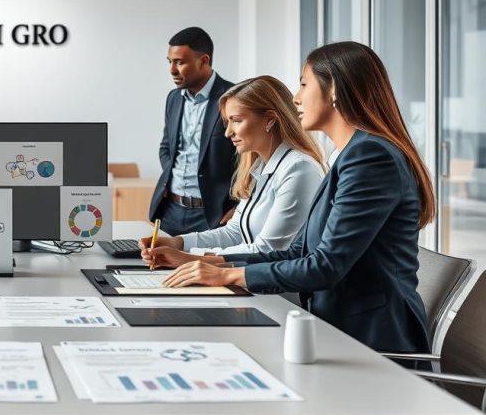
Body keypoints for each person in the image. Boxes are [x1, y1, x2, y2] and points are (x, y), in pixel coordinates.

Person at [147, 42, 433, 353]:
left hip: (373, 340)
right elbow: (296, 252)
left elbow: (325, 266)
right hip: (335, 326)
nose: (295, 97)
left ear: (333, 89)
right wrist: (208, 264)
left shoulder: (368, 156)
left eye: (304, 83)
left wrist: (226, 273)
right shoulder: (347, 154)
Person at [141, 76, 324, 257]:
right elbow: (235, 232)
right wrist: (178, 243)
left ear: (269, 120)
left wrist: (190, 258)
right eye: (227, 122)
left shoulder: (299, 169)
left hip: (273, 284)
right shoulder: (259, 167)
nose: (228, 133)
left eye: (236, 120)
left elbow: (267, 250)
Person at [148, 27, 238, 236]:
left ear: (203, 61)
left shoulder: (233, 98)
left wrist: (238, 206)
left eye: (179, 62)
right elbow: (166, 147)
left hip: (212, 215)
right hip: (170, 210)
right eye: (170, 62)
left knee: (200, 270)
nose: (172, 70)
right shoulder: (174, 98)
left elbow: (249, 158)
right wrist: (173, 176)